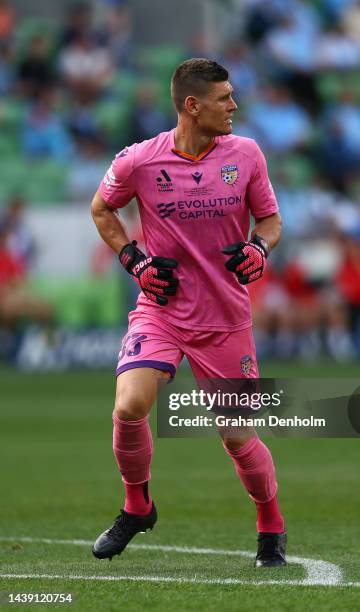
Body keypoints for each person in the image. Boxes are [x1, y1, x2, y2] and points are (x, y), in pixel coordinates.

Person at [90, 58, 285, 568]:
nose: (234, 106)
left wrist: (259, 249)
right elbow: (101, 208)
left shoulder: (245, 155)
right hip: (162, 310)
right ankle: (138, 507)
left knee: (237, 434)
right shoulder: (139, 160)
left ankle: (271, 526)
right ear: (193, 106)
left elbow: (269, 218)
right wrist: (134, 259)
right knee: (130, 405)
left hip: (224, 318)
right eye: (225, 99)